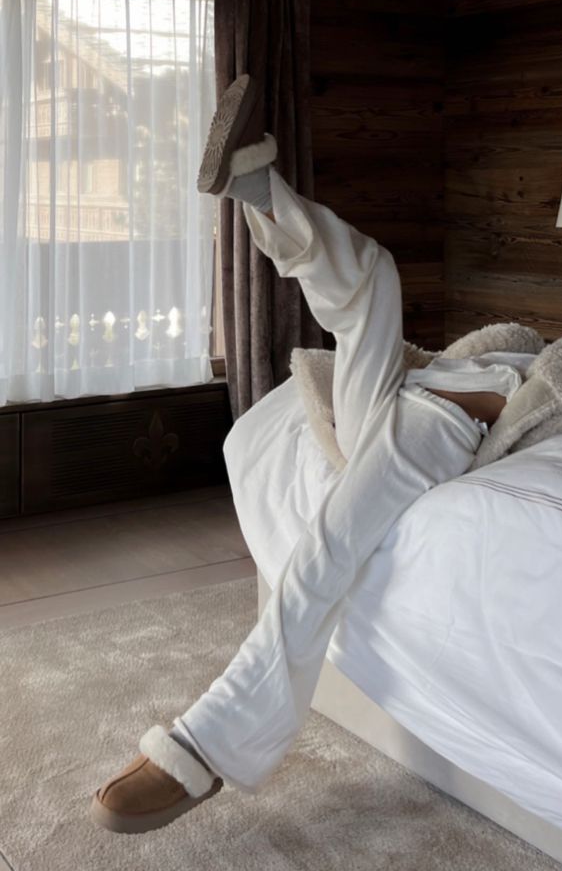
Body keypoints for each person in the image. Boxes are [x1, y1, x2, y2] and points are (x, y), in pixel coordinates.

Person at [90, 75, 524, 834]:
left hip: (446, 424)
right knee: (373, 285)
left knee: (327, 546)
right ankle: (256, 184)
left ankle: (209, 740)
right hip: (411, 391)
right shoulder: (502, 350)